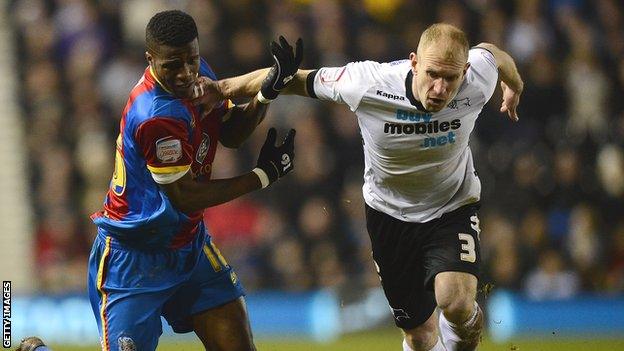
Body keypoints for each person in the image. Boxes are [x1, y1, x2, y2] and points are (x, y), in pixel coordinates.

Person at [194, 23, 522, 351]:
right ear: (414, 62)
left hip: (452, 206)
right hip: (389, 217)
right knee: (420, 337)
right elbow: (291, 79)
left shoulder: (478, 78)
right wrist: (221, 89)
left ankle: (465, 322)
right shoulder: (369, 83)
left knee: (455, 301)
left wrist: (514, 84)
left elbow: (493, 53)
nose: (439, 88)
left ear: (465, 71)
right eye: (432, 74)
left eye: (450, 78)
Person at [87, 10, 302, 351]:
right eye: (173, 64)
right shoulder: (155, 116)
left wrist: (266, 93)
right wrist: (263, 176)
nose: (186, 73)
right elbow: (184, 196)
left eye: (192, 59)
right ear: (150, 59)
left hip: (188, 246)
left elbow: (230, 133)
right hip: (134, 259)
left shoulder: (198, 75)